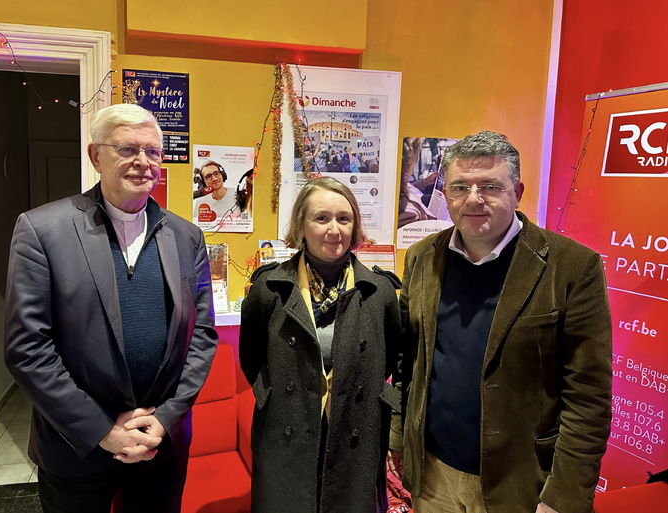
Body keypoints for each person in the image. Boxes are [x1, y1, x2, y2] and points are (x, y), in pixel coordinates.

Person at [4, 103, 218, 513]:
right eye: (127, 149)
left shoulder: (187, 236)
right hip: (76, 450)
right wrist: (103, 430)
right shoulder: (41, 230)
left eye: (153, 151)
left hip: (161, 447)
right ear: (95, 156)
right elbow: (27, 349)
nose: (143, 162)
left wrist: (165, 419)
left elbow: (202, 335)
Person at [389, 131, 612, 513]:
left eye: (490, 186)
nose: (473, 199)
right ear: (445, 192)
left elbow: (588, 397)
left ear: (517, 191)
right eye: (459, 187)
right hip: (432, 475)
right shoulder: (422, 256)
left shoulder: (573, 268)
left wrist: (565, 496)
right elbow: (406, 361)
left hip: (522, 484)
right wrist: (397, 437)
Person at [239, 176, 402, 513]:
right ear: (301, 223)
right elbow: (251, 359)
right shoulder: (269, 289)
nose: (334, 229)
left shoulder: (379, 292)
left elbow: (387, 359)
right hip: (286, 430)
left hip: (354, 430)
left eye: (344, 218)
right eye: (321, 218)